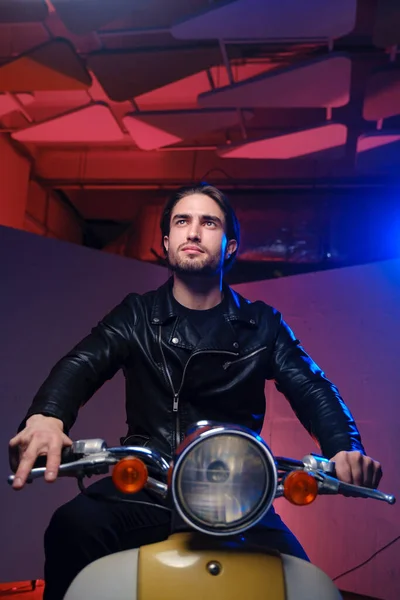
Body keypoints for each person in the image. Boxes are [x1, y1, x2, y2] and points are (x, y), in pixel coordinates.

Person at [9, 183, 382, 600]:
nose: (193, 231)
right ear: (167, 241)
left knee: (303, 585)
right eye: (182, 221)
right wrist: (46, 417)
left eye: (209, 222)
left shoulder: (263, 324)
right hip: (149, 485)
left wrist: (344, 447)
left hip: (236, 496)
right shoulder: (137, 314)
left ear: (230, 245)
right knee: (72, 527)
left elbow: (312, 386)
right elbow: (83, 363)